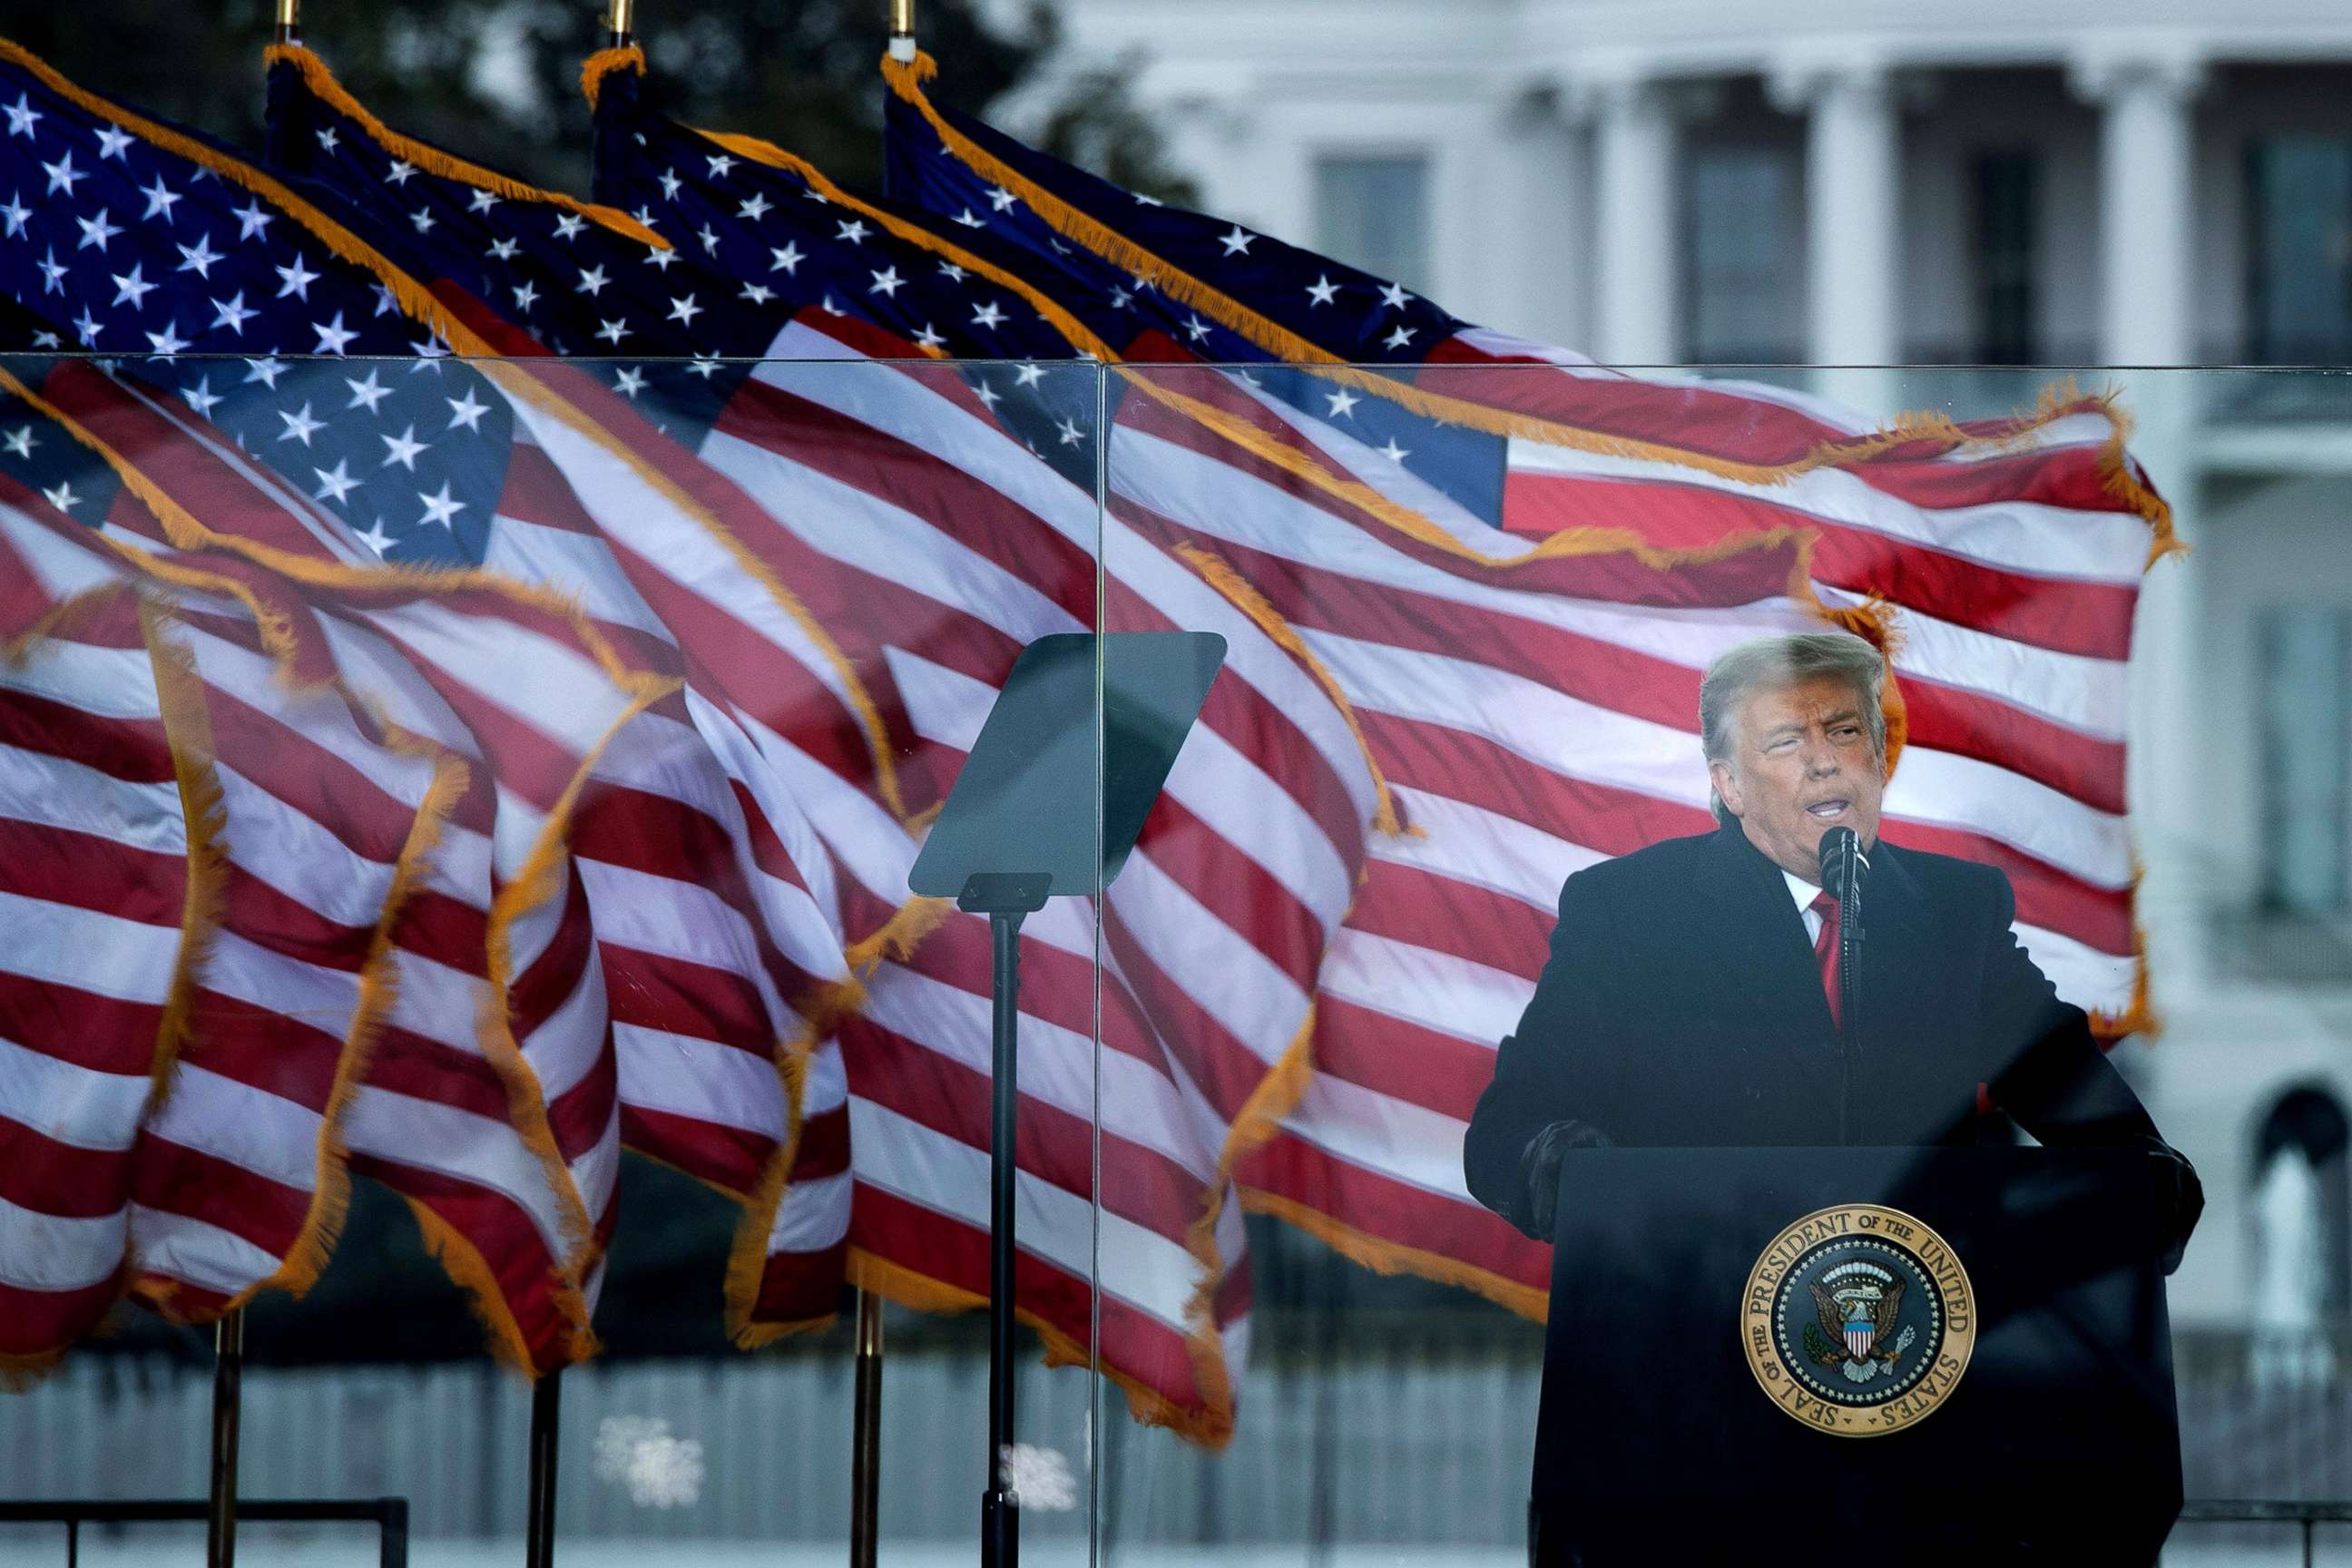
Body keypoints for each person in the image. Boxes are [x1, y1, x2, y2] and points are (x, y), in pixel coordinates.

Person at [1462, 631, 2202, 1267]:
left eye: (1846, 732)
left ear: (1879, 760)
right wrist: (1601, 1180)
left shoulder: (1955, 915)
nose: (1824, 762)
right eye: (1786, 741)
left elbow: (2089, 1113)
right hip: (1696, 1342)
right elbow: (1507, 1135)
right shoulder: (1630, 912)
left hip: (1908, 1360)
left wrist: (2146, 1184)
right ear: (1730, 785)